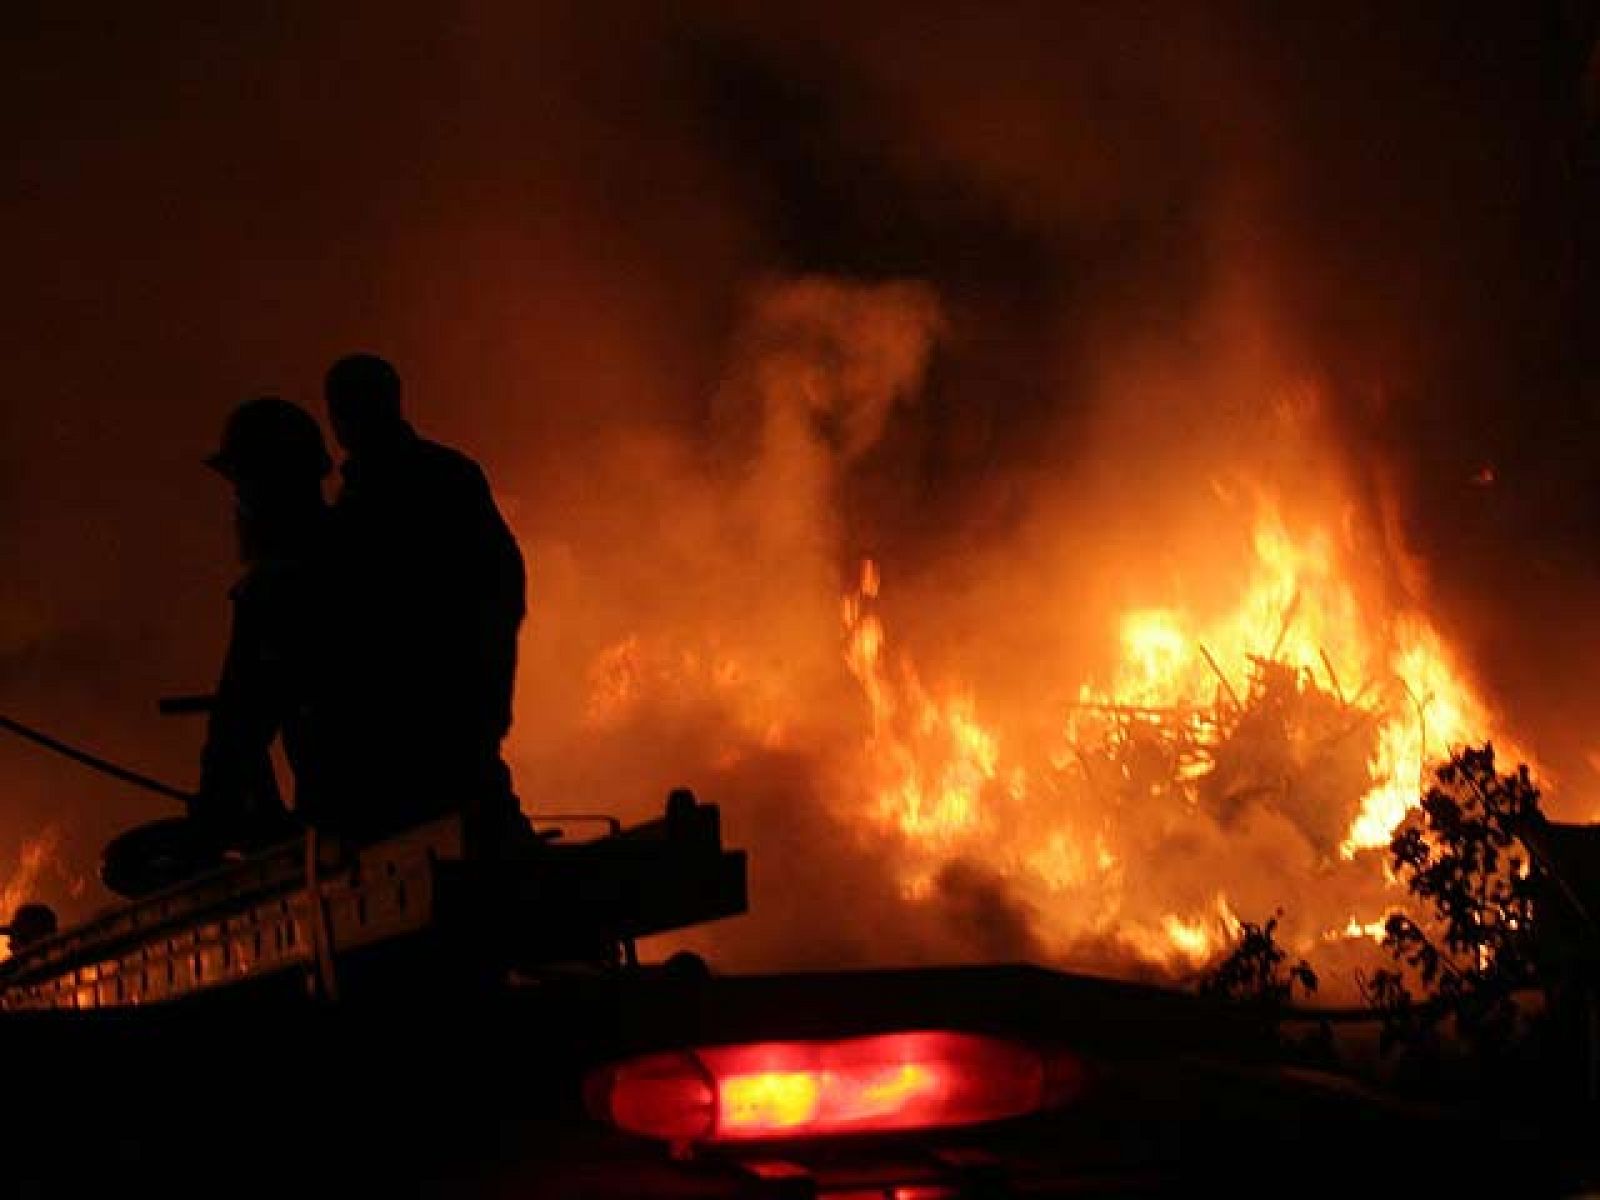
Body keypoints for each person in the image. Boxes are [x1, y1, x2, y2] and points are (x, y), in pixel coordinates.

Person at [321, 353, 528, 851]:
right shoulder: (449, 477)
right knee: (490, 848)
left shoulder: (361, 510)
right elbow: (505, 588)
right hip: (459, 732)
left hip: (407, 745)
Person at [192, 396, 336, 844]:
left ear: (261, 491)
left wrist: (216, 811)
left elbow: (239, 727)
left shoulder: (276, 589)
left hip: (347, 822)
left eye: (240, 487)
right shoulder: (375, 553)